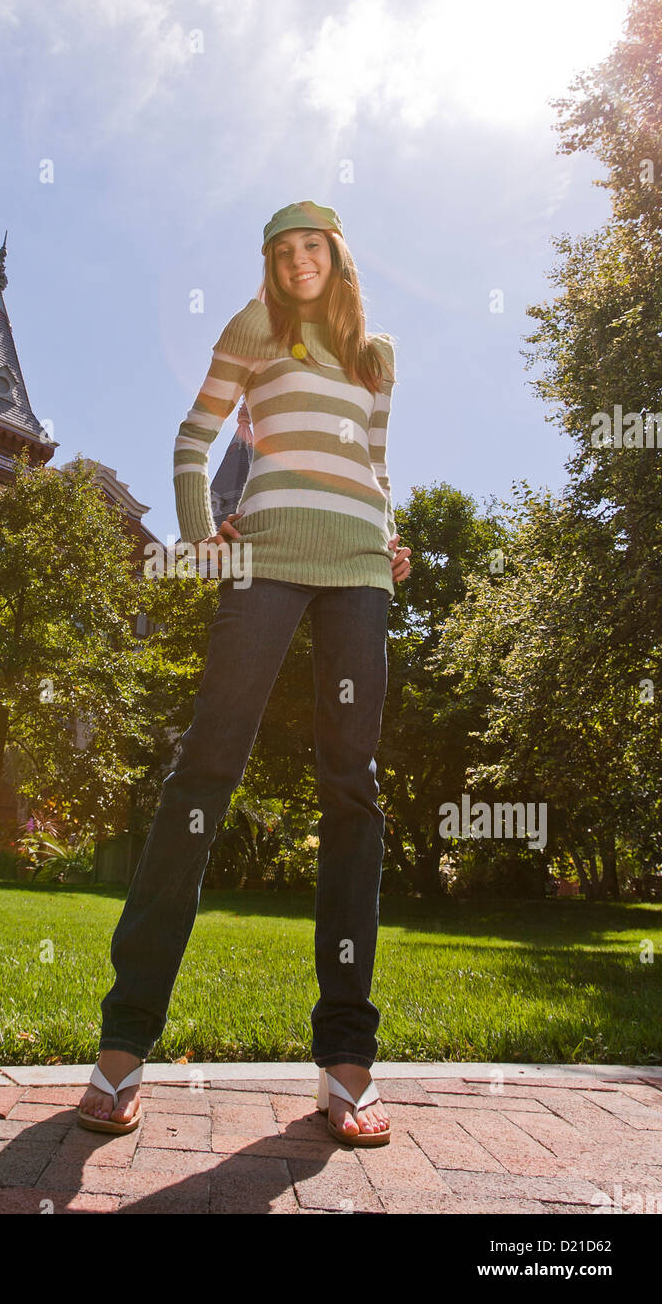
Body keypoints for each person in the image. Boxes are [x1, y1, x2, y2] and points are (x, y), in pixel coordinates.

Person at [77, 200, 412, 1147]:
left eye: (313, 245)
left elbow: (375, 466)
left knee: (354, 791)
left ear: (336, 254)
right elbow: (194, 437)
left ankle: (347, 1064)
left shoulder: (375, 356)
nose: (299, 260)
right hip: (260, 563)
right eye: (282, 249)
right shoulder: (253, 329)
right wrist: (199, 537)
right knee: (203, 773)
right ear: (271, 263)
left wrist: (389, 541)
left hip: (358, 577)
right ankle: (124, 1043)